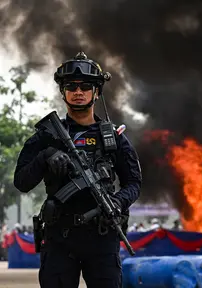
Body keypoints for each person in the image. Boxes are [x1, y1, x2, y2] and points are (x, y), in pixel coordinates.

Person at [13, 52, 142, 288]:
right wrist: (45, 157)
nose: (78, 92)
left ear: (97, 92)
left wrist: (118, 202)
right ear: (63, 92)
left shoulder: (113, 139)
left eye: (85, 86)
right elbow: (21, 182)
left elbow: (134, 182)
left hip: (102, 238)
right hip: (60, 238)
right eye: (71, 86)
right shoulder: (47, 137)